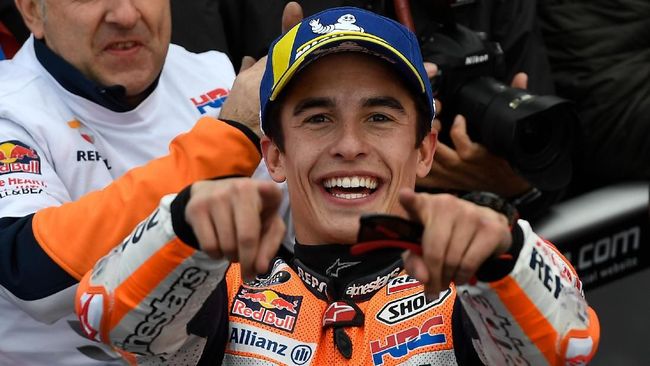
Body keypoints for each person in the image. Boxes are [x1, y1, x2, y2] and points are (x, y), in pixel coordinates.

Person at [74, 7, 600, 365]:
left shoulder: (477, 283)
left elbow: (565, 345)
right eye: (318, 118)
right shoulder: (224, 290)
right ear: (273, 152)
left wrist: (502, 254)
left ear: (424, 148)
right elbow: (106, 316)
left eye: (378, 118)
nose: (349, 145)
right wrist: (181, 225)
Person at [0, 0, 301, 364]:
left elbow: (301, 232)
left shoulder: (210, 72)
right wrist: (230, 140)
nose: (125, 15)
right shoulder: (10, 104)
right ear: (32, 10)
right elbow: (30, 273)